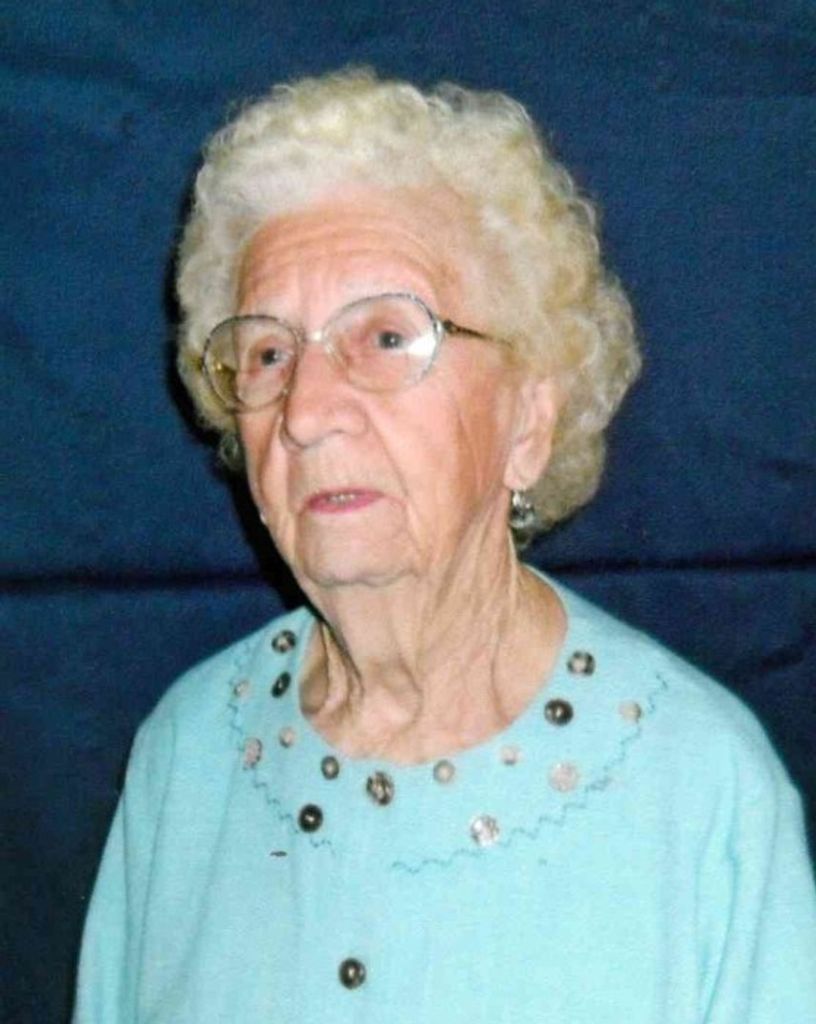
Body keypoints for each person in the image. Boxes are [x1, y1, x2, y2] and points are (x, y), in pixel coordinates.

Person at [73, 69, 816, 1023]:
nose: (306, 412)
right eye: (268, 353)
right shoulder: (188, 756)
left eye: (387, 337)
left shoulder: (701, 791)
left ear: (528, 421)